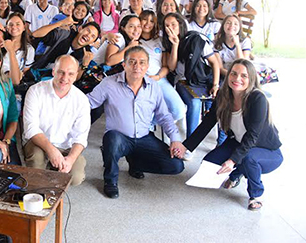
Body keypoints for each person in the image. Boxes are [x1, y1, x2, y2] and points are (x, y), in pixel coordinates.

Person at [179, 59, 283, 211]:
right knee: (209, 163)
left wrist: (233, 160)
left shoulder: (257, 98)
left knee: (248, 158)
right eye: (233, 74)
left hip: (267, 151)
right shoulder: (223, 95)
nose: (237, 79)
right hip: (238, 143)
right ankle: (239, 171)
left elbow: (252, 137)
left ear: (251, 79)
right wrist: (186, 147)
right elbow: (207, 123)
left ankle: (255, 194)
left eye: (243, 76)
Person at [88, 46, 184, 199]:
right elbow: (89, 103)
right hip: (119, 138)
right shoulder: (109, 83)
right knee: (112, 139)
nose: (137, 67)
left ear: (147, 66)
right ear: (124, 65)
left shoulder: (154, 87)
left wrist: (175, 139)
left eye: (141, 63)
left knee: (176, 166)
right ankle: (110, 180)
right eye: (132, 62)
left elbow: (164, 115)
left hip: (144, 138)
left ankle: (136, 163)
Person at [23, 55, 90, 185]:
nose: (65, 78)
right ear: (53, 71)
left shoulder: (81, 100)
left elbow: (80, 137)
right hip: (38, 143)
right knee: (36, 162)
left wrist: (70, 159)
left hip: (65, 146)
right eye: (61, 72)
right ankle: (38, 185)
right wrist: (51, 151)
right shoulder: (35, 91)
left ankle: (51, 175)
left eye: (70, 74)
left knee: (75, 177)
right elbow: (31, 128)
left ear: (76, 75)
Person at [162, 12, 220, 140]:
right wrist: (175, 45)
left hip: (200, 80)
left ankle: (192, 143)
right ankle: (190, 141)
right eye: (167, 26)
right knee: (194, 103)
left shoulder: (195, 40)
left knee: (214, 100)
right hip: (182, 82)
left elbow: (214, 63)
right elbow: (172, 67)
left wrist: (215, 85)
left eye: (173, 24)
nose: (170, 28)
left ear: (181, 25)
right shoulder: (167, 43)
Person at [138, 11, 185, 122]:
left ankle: (148, 123)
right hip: (140, 82)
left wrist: (158, 77)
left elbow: (166, 66)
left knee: (179, 110)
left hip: (159, 80)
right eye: (144, 19)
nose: (147, 23)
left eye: (151, 21)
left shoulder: (160, 41)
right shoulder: (133, 40)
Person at [30, 19, 100, 78]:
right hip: (37, 71)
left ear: (92, 43)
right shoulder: (65, 34)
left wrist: (85, 65)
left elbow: (74, 79)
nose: (88, 35)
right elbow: (35, 34)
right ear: (80, 29)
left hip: (55, 82)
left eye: (92, 36)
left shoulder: (85, 54)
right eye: (88, 30)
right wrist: (59, 23)